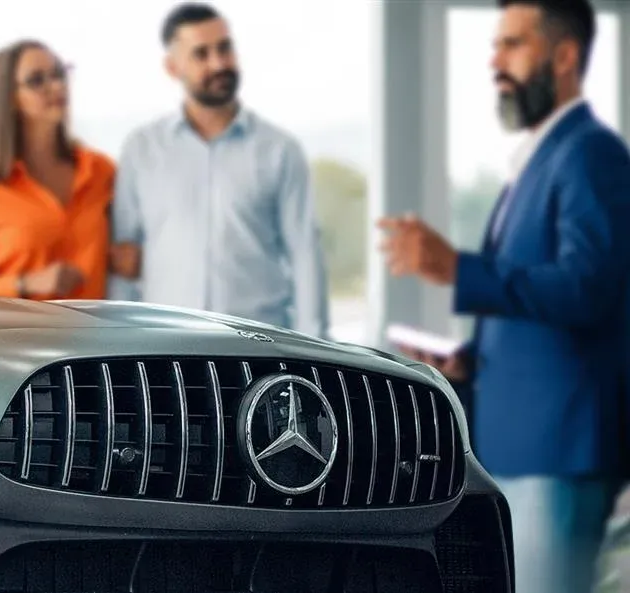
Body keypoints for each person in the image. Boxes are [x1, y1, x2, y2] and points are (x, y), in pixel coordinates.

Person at [378, 1, 630, 592]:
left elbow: (588, 287)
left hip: (559, 453)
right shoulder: (540, 160)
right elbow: (543, 299)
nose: (495, 60)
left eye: (512, 44)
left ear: (565, 56)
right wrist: (468, 359)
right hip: (520, 449)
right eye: (495, 45)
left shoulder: (591, 154)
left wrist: (456, 268)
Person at [109, 2, 329, 338]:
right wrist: (117, 341)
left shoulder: (280, 151)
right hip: (166, 346)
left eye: (224, 48)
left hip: (259, 346)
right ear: (172, 67)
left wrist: (316, 347)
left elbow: (305, 254)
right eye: (201, 54)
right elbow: (123, 261)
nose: (219, 63)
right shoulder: (142, 150)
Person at [0, 39, 119, 300]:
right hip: (14, 338)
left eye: (58, 74)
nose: (56, 86)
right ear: (11, 98)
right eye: (36, 80)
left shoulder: (102, 171)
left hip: (96, 338)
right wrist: (22, 284)